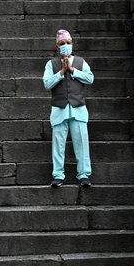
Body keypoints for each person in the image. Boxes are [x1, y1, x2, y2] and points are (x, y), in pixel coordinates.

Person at [43, 29, 94, 188]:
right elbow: (47, 83)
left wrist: (72, 70)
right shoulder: (51, 64)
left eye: (68, 43)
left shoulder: (80, 61)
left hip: (78, 108)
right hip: (59, 109)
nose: (65, 46)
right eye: (62, 43)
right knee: (58, 144)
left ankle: (84, 174)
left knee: (82, 143)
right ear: (57, 46)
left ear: (72, 44)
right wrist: (62, 72)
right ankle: (58, 175)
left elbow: (90, 78)